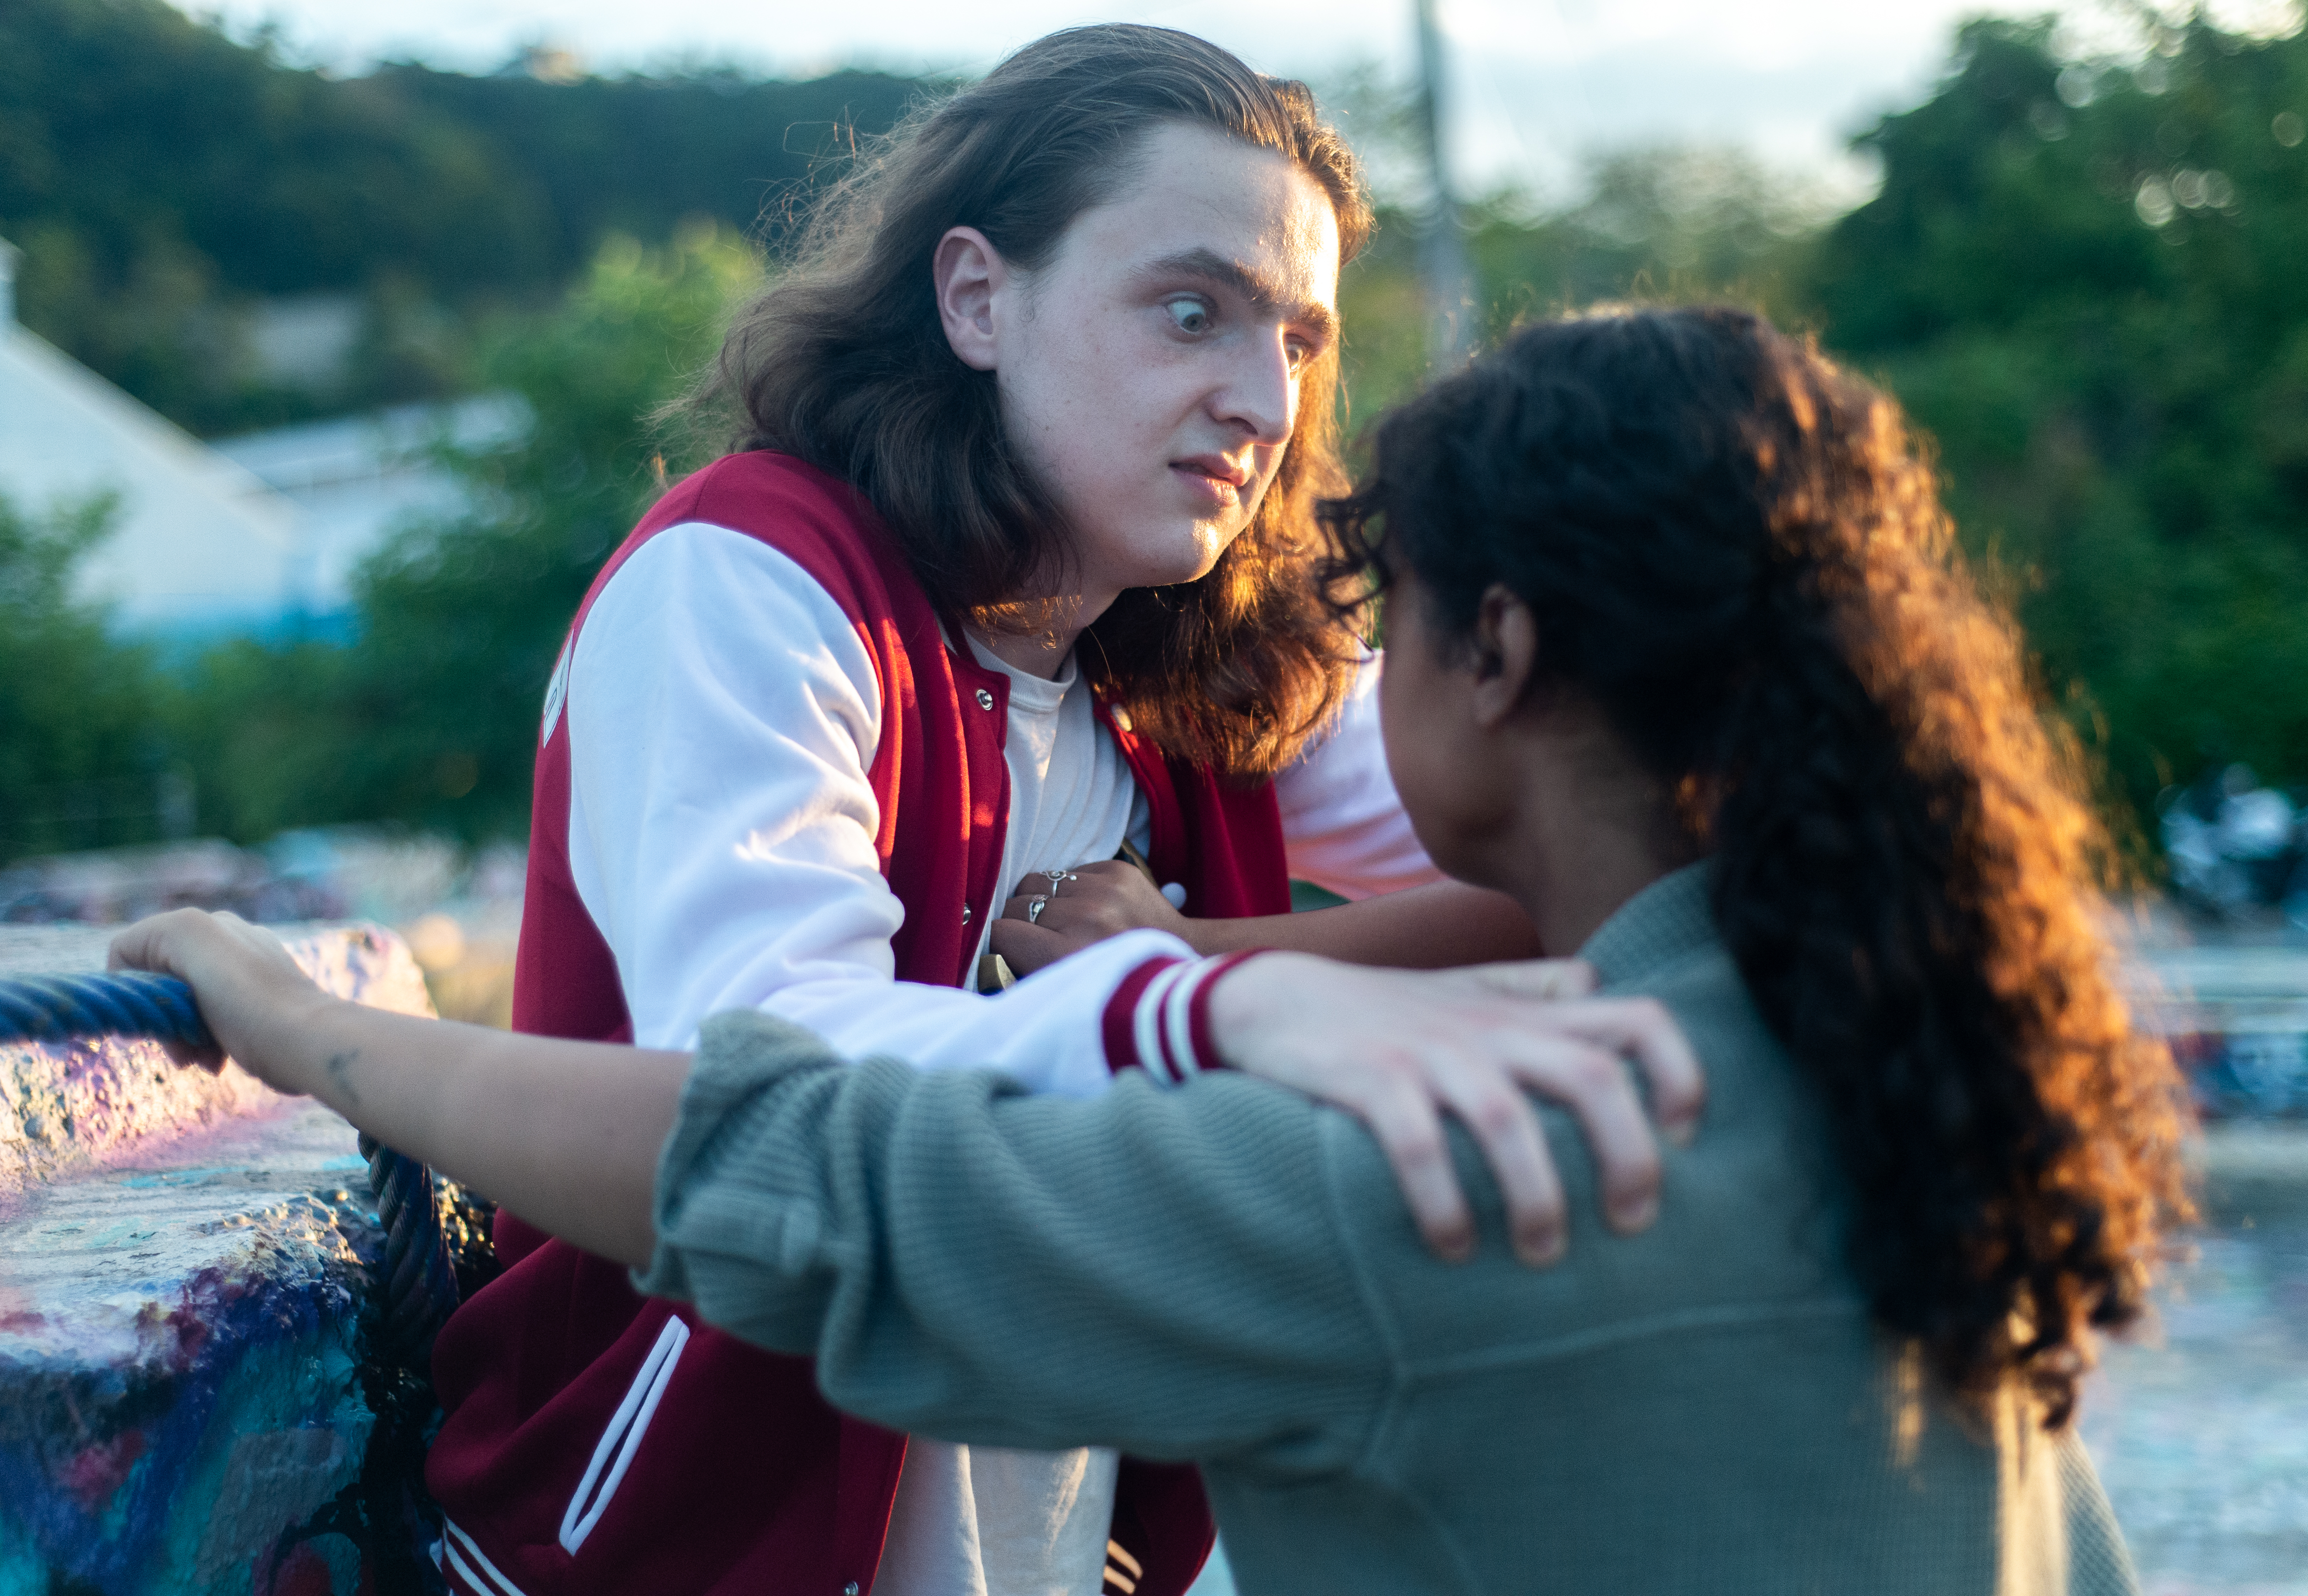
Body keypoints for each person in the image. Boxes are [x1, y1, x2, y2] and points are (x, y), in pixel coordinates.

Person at [119, 305, 2189, 1594]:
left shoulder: (1450, 1171)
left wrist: (310, 1027)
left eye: (1392, 617)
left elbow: (774, 1166)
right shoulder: (1900, 1063)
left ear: (1497, 651)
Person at [438, 24, 1701, 1596]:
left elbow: (1636, 845)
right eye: (1192, 312)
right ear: (977, 298)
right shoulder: (745, 578)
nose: (1261, 400)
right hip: (659, 1554)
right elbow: (755, 1085)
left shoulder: (1193, 664)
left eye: (1299, 340)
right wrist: (1185, 1005)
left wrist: (1211, 957)